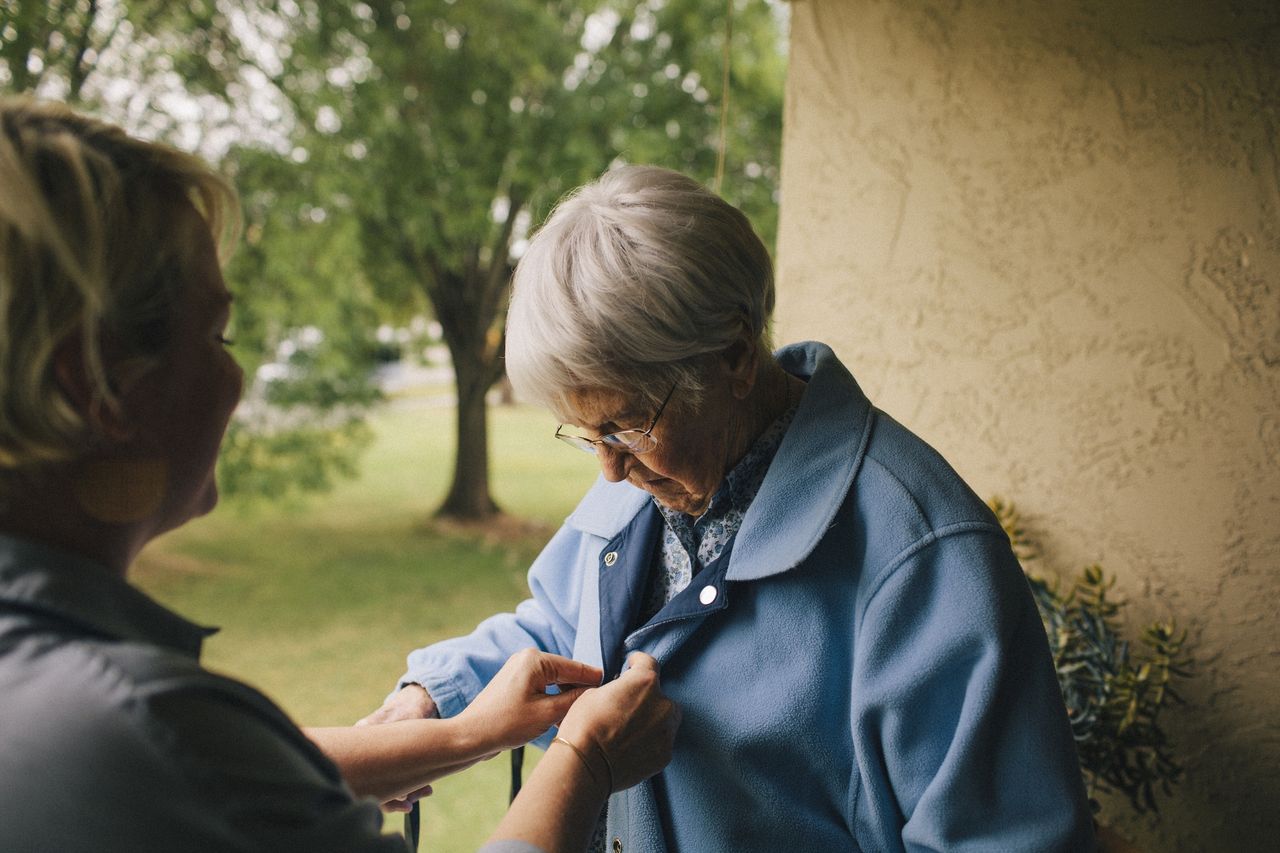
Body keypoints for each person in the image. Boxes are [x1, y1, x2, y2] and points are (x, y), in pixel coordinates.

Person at [0, 98, 679, 853]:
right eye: (217, 335)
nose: (238, 378)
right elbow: (184, 764)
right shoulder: (136, 726)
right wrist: (583, 761)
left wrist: (457, 730)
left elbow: (218, 780)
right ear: (100, 386)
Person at [362, 165, 1098, 851]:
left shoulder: (927, 557)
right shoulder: (660, 462)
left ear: (737, 357)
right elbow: (559, 629)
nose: (609, 470)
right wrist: (436, 696)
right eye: (585, 434)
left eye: (622, 425)